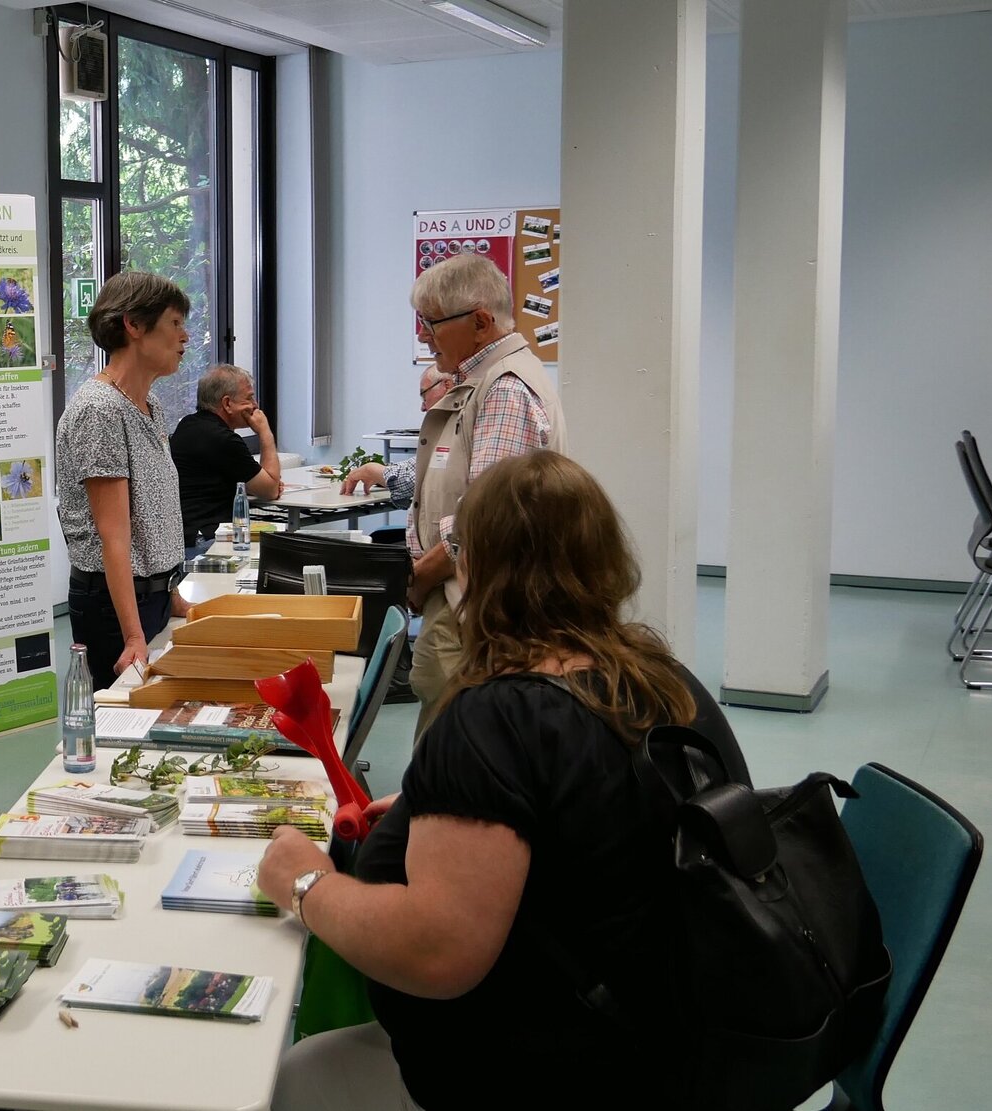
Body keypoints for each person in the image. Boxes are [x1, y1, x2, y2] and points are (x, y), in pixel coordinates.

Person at [260, 451, 748, 1111]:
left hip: (546, 1072)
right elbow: (601, 816)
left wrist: (306, 881)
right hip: (672, 1045)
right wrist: (455, 808)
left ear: (481, 566)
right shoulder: (662, 680)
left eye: (458, 547)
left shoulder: (494, 721)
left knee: (297, 1074)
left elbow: (436, 951)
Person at [396, 253, 564, 740]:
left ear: (481, 321)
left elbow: (483, 516)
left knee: (452, 742)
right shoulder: (482, 383)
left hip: (473, 605)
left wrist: (423, 573)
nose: (423, 335)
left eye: (430, 323)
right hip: (462, 595)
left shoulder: (506, 388)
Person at [54, 271, 190, 689]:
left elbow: (156, 512)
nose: (185, 336)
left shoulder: (149, 405)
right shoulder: (100, 410)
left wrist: (170, 596)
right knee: (122, 730)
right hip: (116, 609)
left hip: (150, 598)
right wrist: (133, 635)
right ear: (133, 324)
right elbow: (114, 535)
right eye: (175, 323)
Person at [169, 363, 282, 555]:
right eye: (249, 398)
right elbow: (270, 489)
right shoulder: (222, 439)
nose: (255, 406)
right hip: (207, 543)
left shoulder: (188, 425)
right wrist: (265, 433)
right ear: (227, 403)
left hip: (184, 539)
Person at [337, 363, 462, 511]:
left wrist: (372, 471)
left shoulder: (461, 421)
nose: (423, 407)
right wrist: (381, 472)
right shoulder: (450, 423)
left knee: (380, 535)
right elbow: (420, 464)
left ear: (447, 385)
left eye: (424, 395)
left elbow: (413, 481)